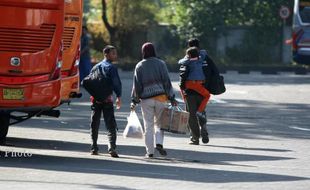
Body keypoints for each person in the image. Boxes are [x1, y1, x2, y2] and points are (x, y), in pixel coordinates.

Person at [131, 42, 176, 158]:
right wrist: (171, 97)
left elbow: (137, 85)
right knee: (160, 124)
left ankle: (150, 152)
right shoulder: (161, 64)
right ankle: (159, 143)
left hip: (146, 100)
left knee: (148, 125)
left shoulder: (139, 65)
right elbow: (166, 81)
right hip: (161, 98)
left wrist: (134, 100)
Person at [89, 45, 122, 157]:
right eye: (113, 53)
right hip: (107, 99)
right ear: (106, 54)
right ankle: (112, 148)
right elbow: (116, 83)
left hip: (96, 99)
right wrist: (119, 96)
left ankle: (94, 147)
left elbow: (89, 81)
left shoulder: (95, 67)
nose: (115, 55)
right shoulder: (111, 68)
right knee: (110, 124)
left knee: (95, 124)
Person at [178, 38, 211, 145]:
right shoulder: (203, 57)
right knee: (201, 112)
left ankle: (195, 138)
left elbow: (181, 66)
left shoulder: (188, 59)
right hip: (202, 88)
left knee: (191, 115)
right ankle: (204, 128)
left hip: (190, 90)